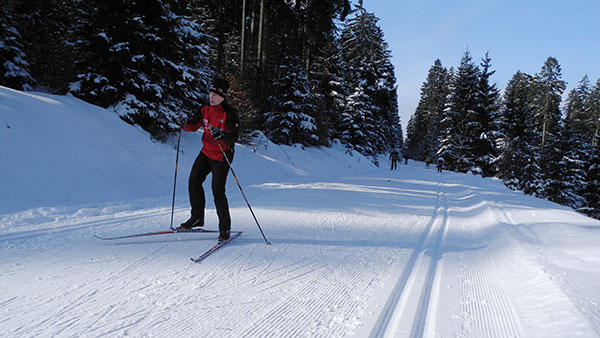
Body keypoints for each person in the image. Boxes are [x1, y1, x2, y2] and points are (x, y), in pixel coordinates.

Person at [179, 78, 239, 243]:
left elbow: (234, 136)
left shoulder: (228, 113)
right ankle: (197, 218)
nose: (211, 97)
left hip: (222, 154)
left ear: (223, 96)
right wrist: (182, 124)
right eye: (210, 93)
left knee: (217, 191)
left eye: (215, 94)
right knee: (194, 180)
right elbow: (192, 125)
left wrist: (222, 135)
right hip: (206, 152)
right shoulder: (204, 109)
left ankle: (225, 228)